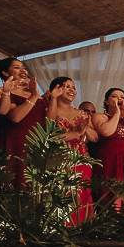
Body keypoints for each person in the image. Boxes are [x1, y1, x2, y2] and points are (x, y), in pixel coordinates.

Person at [45, 77, 97, 225]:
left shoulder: (81, 114)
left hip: (81, 159)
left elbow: (95, 138)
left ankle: (82, 233)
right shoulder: (49, 109)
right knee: (63, 195)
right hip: (60, 159)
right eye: (67, 87)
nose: (71, 90)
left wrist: (84, 128)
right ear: (56, 89)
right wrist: (77, 133)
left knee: (82, 196)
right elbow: (50, 134)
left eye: (73, 87)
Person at [0, 57, 43, 187]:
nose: (23, 70)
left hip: (36, 141)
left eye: (23, 67)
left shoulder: (35, 93)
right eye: (16, 67)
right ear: (5, 72)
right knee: (14, 178)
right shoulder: (0, 90)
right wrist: (32, 97)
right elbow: (14, 117)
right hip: (14, 140)